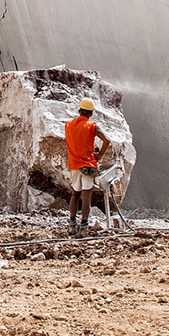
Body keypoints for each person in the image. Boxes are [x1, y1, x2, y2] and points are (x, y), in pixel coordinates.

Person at [64, 97, 113, 236]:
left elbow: (78, 141)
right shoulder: (92, 125)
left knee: (75, 194)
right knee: (86, 196)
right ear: (91, 113)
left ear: (79, 110)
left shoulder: (68, 125)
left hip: (74, 165)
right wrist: (99, 155)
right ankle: (84, 227)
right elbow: (107, 140)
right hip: (88, 165)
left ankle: (72, 225)